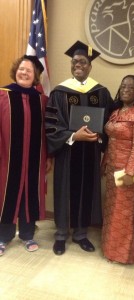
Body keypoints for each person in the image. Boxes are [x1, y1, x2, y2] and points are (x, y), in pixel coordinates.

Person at [45, 40, 114, 255]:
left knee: (87, 191)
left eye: (83, 61)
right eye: (75, 61)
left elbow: (111, 121)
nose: (78, 65)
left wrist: (98, 135)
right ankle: (61, 235)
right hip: (68, 152)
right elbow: (51, 124)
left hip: (90, 153)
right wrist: (74, 135)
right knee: (65, 190)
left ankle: (81, 234)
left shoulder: (101, 92)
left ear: (90, 65)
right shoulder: (59, 92)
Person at [0, 55, 51, 256]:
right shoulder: (3, 95)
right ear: (16, 71)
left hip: (34, 159)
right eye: (21, 69)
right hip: (7, 159)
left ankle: (28, 235)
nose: (24, 73)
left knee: (30, 194)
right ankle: (3, 237)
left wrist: (48, 157)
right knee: (6, 194)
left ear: (35, 76)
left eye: (29, 71)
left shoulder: (41, 100)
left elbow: (47, 132)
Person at [101, 75, 134, 264]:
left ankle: (121, 254)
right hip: (112, 166)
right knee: (112, 208)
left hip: (128, 169)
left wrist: (130, 171)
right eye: (123, 86)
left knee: (123, 211)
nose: (125, 90)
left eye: (130, 88)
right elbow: (110, 141)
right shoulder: (117, 111)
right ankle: (109, 249)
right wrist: (104, 163)